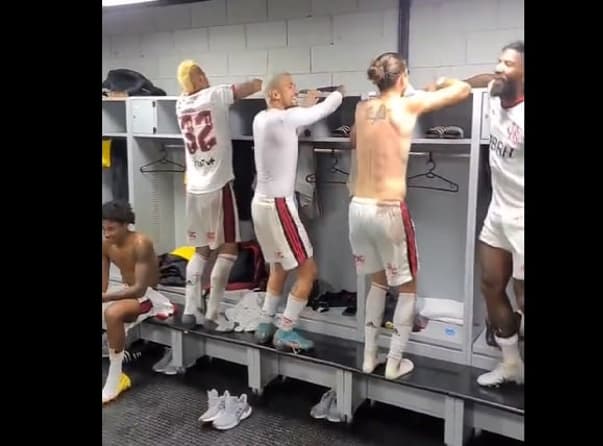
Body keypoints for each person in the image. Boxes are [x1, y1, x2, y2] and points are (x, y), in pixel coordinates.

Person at [349, 52, 471, 380]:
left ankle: (369, 356)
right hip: (388, 208)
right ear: (402, 76)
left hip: (358, 207)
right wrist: (434, 84)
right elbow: (461, 90)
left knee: (376, 281)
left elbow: (353, 141)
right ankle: (394, 362)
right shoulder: (408, 106)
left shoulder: (361, 108)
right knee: (407, 284)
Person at [251, 73, 344, 352]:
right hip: (280, 205)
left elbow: (288, 134)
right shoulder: (285, 118)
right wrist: (336, 92)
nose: (295, 89)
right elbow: (326, 109)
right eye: (290, 86)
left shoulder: (261, 119)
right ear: (275, 95)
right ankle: (286, 330)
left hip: (261, 203)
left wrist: (302, 107)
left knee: (278, 267)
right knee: (308, 271)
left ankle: (265, 323)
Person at [175, 60, 263, 331]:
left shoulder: (179, 103)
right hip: (218, 185)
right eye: (204, 74)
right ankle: (213, 312)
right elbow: (247, 88)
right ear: (199, 77)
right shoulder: (214, 95)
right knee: (228, 247)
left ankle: (191, 309)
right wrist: (262, 82)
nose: (208, 78)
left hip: (193, 188)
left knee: (201, 250)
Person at [464, 41, 525, 387]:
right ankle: (511, 364)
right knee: (490, 284)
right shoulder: (494, 93)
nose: (500, 69)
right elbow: (483, 78)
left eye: (508, 64)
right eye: (499, 62)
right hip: (499, 212)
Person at [102, 200, 173, 404]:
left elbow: (140, 289)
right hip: (127, 292)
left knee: (113, 313)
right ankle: (116, 354)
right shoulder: (106, 243)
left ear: (126, 225)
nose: (107, 234)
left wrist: (105, 298)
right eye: (104, 229)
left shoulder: (141, 243)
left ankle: (115, 378)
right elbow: (103, 284)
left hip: (148, 296)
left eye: (112, 229)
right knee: (110, 310)